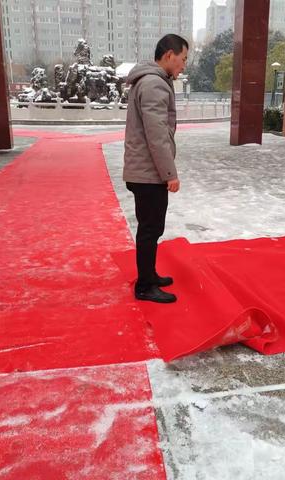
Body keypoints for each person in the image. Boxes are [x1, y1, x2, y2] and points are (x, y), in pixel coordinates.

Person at [123, 34, 188, 303]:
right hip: (149, 174)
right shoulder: (154, 84)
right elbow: (157, 134)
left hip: (144, 171)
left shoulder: (150, 81)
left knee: (151, 228)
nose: (184, 65)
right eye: (183, 59)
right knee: (150, 229)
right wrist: (170, 174)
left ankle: (149, 275)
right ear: (169, 55)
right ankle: (145, 286)